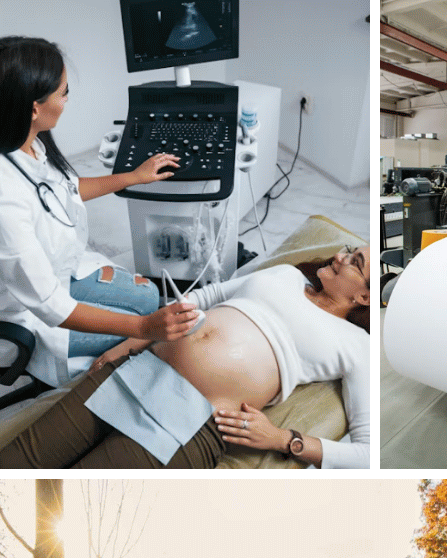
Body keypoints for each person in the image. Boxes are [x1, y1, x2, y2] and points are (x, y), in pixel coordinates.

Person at [0, 244, 371, 467]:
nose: (339, 257)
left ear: (364, 298)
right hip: (137, 372)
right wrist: (135, 337)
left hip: (192, 422)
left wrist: (284, 440)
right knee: (16, 464)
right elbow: (207, 297)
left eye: (354, 261)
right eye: (346, 250)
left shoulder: (355, 345)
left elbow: (367, 451)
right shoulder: (286, 275)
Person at [0, 36, 201, 390]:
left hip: (59, 273)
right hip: (30, 315)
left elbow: (65, 190)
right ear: (33, 107)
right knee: (148, 328)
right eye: (63, 92)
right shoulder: (5, 200)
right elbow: (51, 306)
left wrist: (134, 177)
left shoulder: (25, 140)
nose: (67, 100)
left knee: (150, 297)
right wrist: (142, 331)